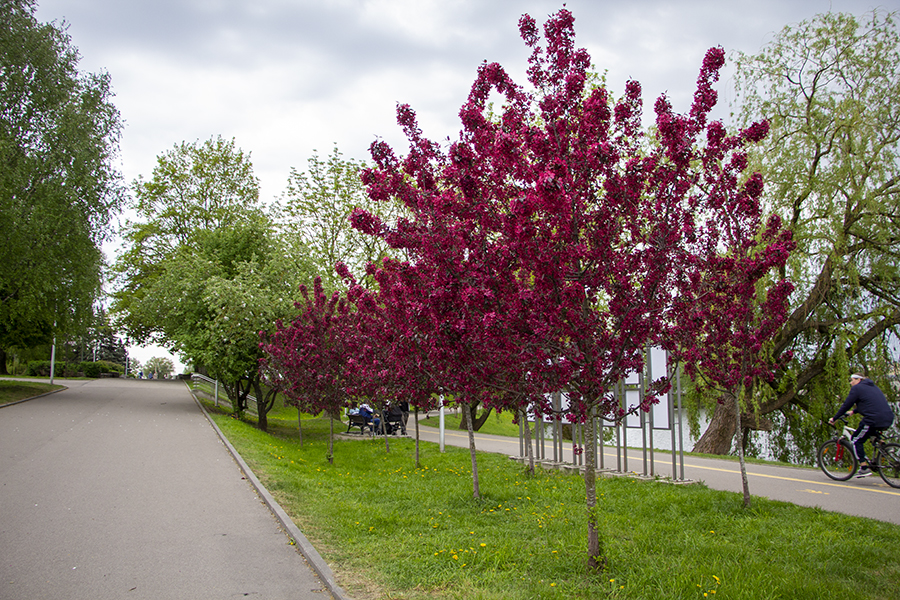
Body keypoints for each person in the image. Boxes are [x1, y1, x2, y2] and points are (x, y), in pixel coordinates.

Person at [829, 373, 896, 477]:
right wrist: (854, 411)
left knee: (856, 439)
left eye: (852, 380)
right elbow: (870, 403)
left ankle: (864, 468)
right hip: (888, 417)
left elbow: (847, 404)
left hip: (872, 419)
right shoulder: (873, 387)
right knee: (870, 432)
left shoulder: (857, 388)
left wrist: (835, 418)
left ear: (858, 380)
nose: (851, 383)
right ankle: (884, 445)